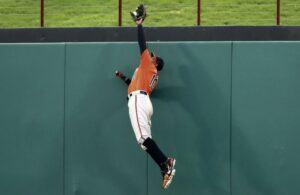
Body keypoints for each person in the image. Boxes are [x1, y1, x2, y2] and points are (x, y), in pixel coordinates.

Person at [114, 17, 176, 189]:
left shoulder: (149, 64)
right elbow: (135, 86)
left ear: (155, 61)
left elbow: (142, 44)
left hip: (138, 100)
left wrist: (139, 25)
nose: (150, 56)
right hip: (143, 100)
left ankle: (166, 163)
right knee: (144, 142)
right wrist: (124, 78)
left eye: (153, 57)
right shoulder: (150, 74)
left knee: (142, 139)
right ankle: (164, 165)